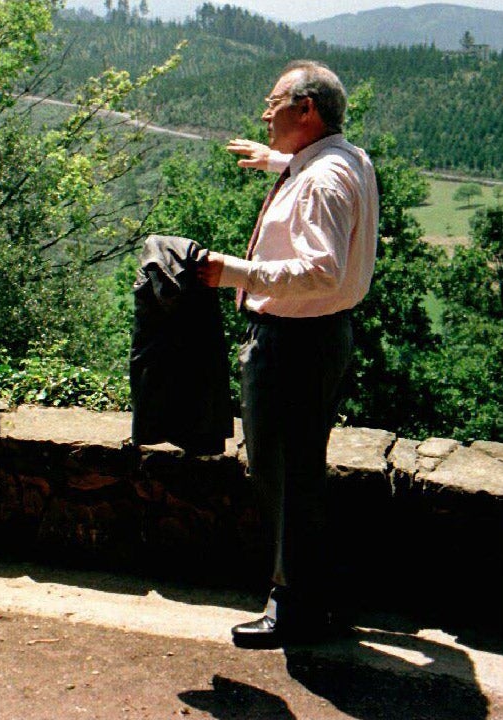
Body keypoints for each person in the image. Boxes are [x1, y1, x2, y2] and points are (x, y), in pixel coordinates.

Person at [197, 60, 379, 648]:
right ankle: (315, 594)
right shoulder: (344, 159)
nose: (266, 111)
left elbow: (321, 270)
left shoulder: (322, 181)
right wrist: (279, 163)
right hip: (321, 340)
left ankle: (293, 605)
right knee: (301, 469)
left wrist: (231, 273)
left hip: (294, 345)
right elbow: (318, 186)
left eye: (274, 102)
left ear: (307, 110)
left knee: (281, 475)